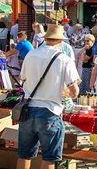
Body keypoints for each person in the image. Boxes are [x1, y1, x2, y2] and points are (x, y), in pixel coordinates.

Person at [17, 24, 80, 169]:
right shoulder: (64, 59)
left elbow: (23, 78)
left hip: (27, 110)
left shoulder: (31, 54)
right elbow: (74, 91)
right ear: (60, 41)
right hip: (50, 111)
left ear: (46, 39)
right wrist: (63, 92)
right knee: (49, 158)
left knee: (24, 155)